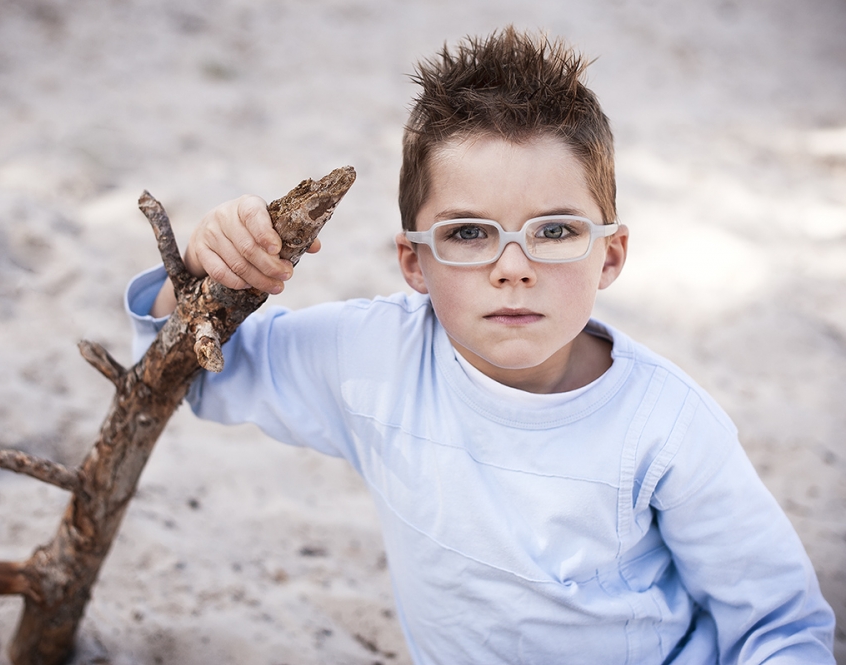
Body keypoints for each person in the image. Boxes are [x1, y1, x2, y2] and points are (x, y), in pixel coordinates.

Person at [125, 26, 835, 664]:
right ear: (414, 263)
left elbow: (778, 624)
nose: (513, 265)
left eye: (555, 230)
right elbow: (202, 372)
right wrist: (202, 266)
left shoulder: (671, 428)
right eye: (469, 232)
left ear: (610, 256)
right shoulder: (377, 361)